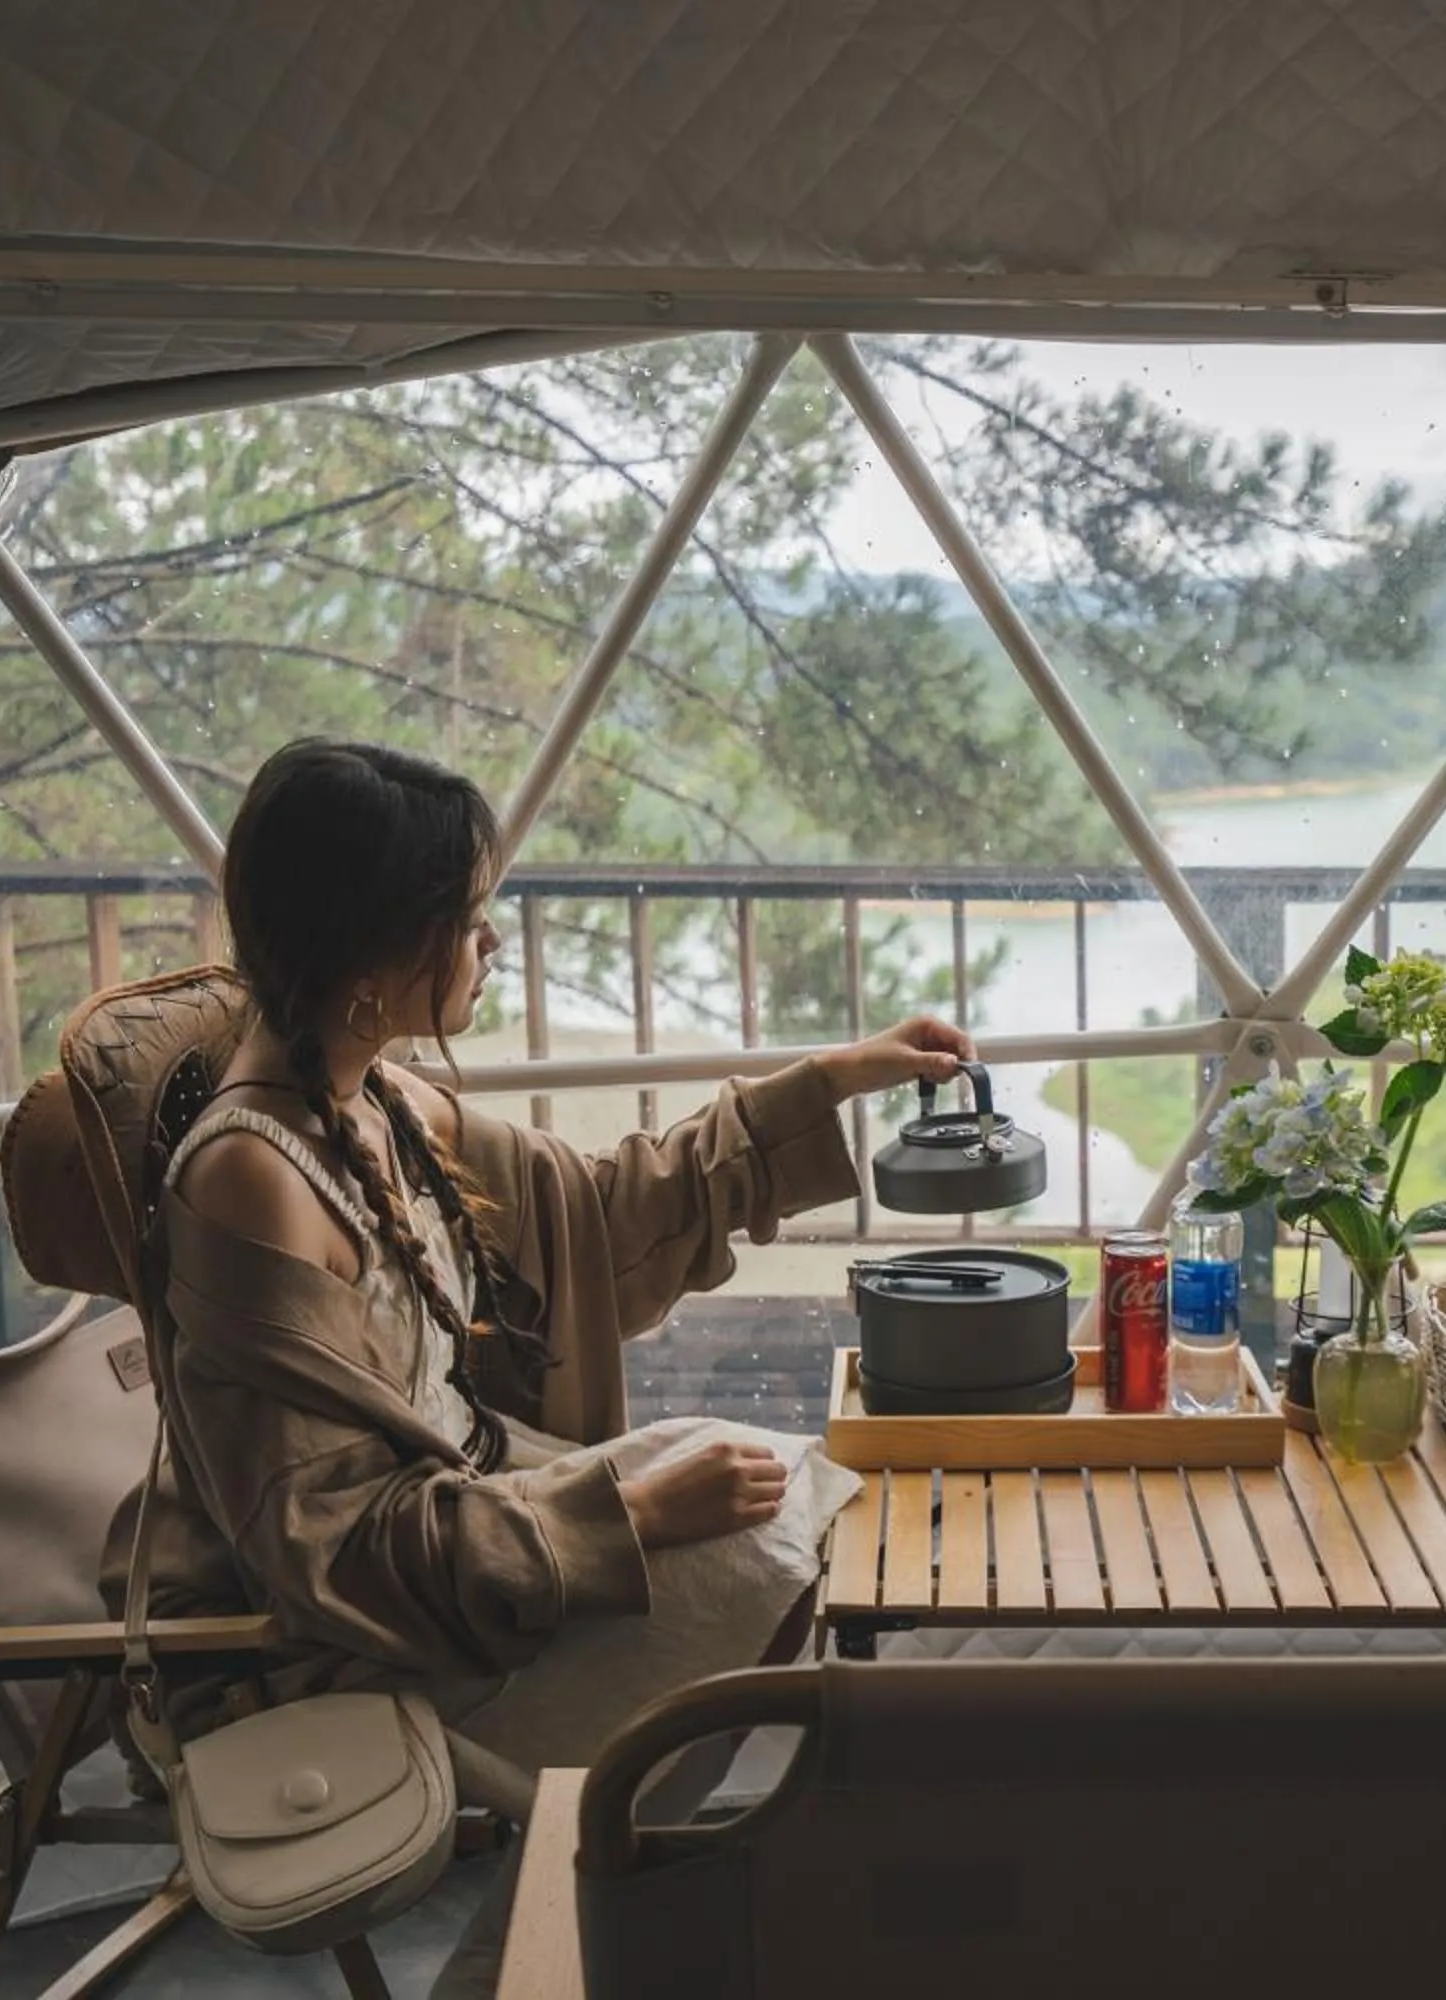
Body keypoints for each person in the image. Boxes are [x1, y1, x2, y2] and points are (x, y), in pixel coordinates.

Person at [100, 738, 968, 1977]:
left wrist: (834, 1075)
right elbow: (324, 1545)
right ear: (371, 953)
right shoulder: (255, 1179)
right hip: (329, 1628)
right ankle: (569, 1938)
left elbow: (598, 1218)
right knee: (765, 1543)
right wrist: (623, 1512)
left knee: (795, 1501)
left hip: (480, 1519)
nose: (490, 941)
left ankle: (594, 1916)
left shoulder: (370, 1098)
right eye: (469, 917)